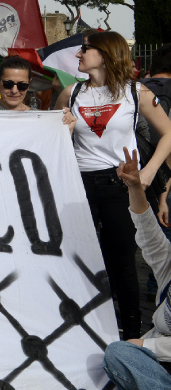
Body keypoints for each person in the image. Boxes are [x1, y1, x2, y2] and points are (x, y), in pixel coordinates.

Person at [56, 31, 171, 341]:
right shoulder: (70, 94)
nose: (78, 54)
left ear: (105, 54)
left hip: (120, 185)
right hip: (79, 186)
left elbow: (168, 133)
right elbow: (54, 142)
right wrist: (65, 131)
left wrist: (149, 171)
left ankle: (131, 334)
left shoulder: (136, 92)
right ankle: (80, 330)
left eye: (85, 49)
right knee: (77, 258)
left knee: (122, 263)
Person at [102, 149, 171, 390]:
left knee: (121, 353)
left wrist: (144, 346)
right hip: (159, 362)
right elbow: (148, 234)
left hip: (157, 351)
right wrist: (135, 188)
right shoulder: (168, 263)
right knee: (118, 356)